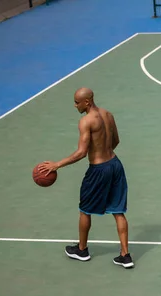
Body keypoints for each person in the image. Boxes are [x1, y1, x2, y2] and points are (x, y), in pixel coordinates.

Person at [38, 88, 134, 269]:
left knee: (85, 210)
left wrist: (57, 165)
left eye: (77, 102)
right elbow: (116, 141)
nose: (75, 105)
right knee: (118, 211)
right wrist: (104, 151)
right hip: (115, 165)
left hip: (99, 170)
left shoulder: (86, 121)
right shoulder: (108, 114)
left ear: (87, 102)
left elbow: (82, 152)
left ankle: (82, 250)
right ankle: (125, 255)